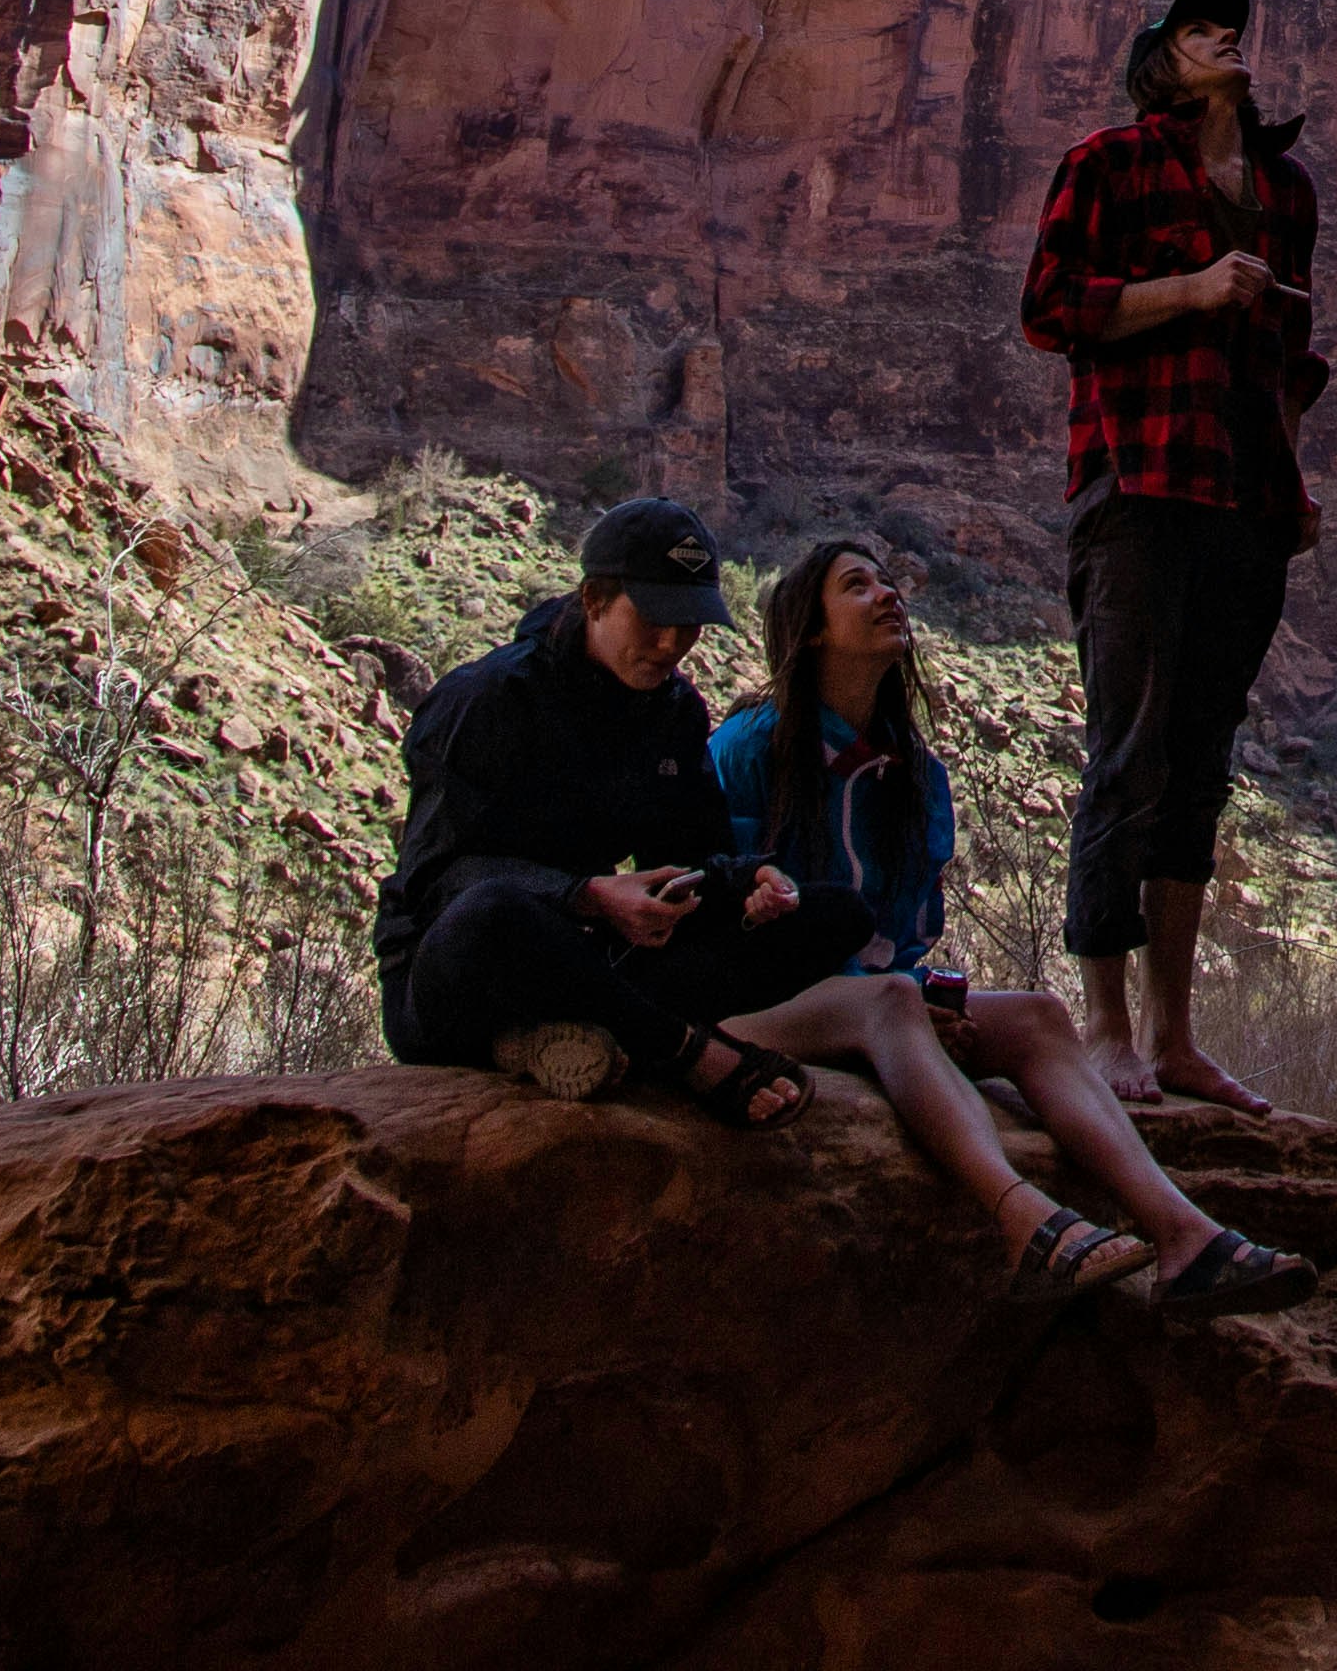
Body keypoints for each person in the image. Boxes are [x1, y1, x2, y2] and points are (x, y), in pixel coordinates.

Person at [371, 493, 1182, 1296]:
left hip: (596, 968)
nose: (670, 644)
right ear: (593, 599)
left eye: (687, 624)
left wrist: (742, 885)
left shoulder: (673, 711)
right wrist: (585, 893)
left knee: (835, 914)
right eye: (650, 620)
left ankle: (584, 1034)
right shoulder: (488, 698)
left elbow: (686, 860)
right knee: (497, 915)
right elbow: (437, 881)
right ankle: (692, 1056)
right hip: (461, 974)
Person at [718, 534, 1315, 1310]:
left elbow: (908, 933)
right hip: (750, 1005)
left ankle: (1185, 1241)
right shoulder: (746, 749)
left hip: (868, 1002)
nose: (889, 595)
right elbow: (719, 904)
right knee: (892, 1002)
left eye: (890, 580)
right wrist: (901, 996)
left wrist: (927, 995)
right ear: (809, 629)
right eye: (857, 586)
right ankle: (1022, 1220)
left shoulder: (915, 775)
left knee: (1037, 1016)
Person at [1014, 0, 1318, 1113]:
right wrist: (1189, 290)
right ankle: (1101, 1030)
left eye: (1232, 29)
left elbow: (1293, 350)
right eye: (1200, 30)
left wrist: (1293, 469)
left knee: (1201, 764)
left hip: (1246, 501)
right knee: (1126, 751)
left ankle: (1174, 1036)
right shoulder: (1108, 161)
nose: (1225, 42)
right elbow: (1049, 307)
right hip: (1137, 484)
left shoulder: (1287, 189)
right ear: (1160, 59)